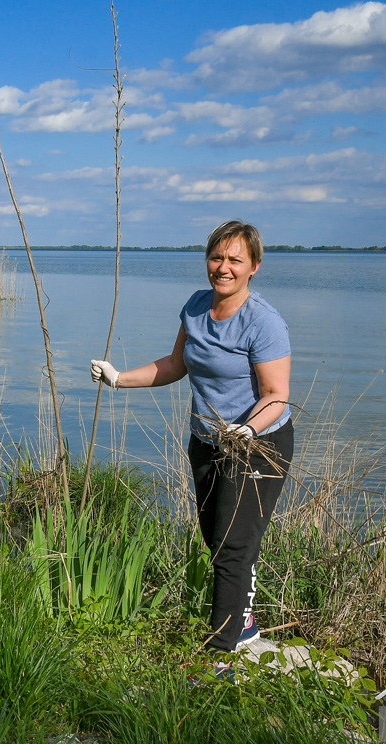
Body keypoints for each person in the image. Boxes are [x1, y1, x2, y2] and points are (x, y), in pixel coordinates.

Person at [90, 220, 293, 656]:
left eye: (235, 259)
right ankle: (244, 614)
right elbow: (175, 364)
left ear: (254, 266)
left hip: (257, 447)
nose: (224, 267)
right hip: (206, 441)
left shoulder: (264, 322)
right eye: (217, 257)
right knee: (215, 537)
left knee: (232, 547)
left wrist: (247, 428)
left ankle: (220, 652)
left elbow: (277, 395)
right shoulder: (196, 307)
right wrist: (118, 378)